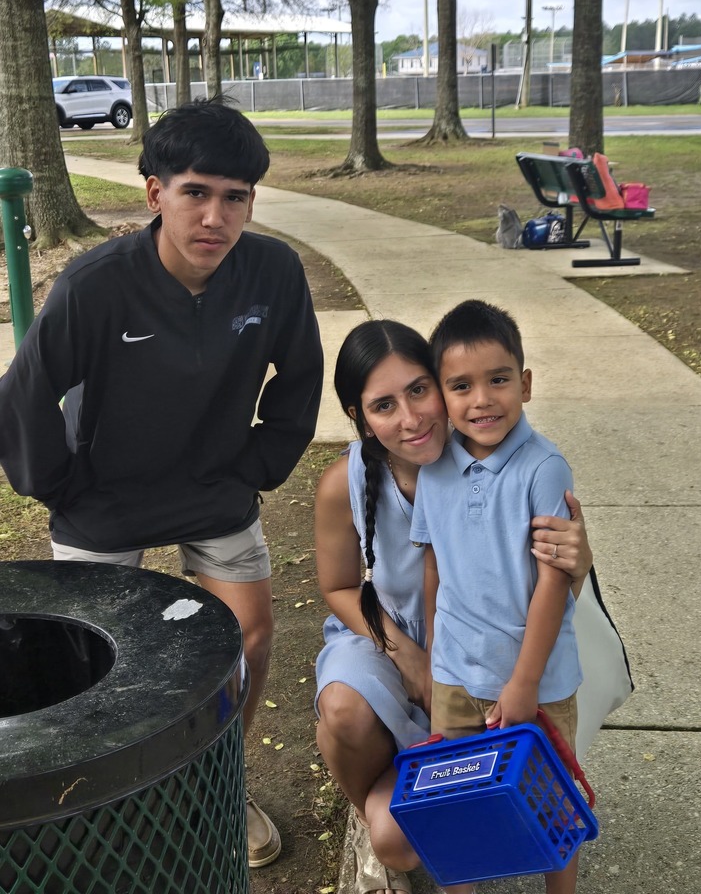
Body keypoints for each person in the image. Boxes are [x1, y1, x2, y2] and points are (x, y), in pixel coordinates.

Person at [0, 97, 324, 869]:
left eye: (235, 197)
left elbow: (302, 377)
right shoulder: (95, 285)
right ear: (156, 193)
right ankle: (97, 806)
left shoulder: (273, 273)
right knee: (89, 666)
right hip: (104, 499)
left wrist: (258, 463)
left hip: (214, 485)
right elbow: (24, 394)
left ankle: (222, 779)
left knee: (249, 635)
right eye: (196, 193)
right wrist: (59, 485)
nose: (215, 217)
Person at [313, 319, 615, 894]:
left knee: (530, 796)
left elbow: (540, 584)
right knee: (394, 791)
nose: (411, 418)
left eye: (419, 390)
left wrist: (579, 559)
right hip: (396, 641)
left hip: (487, 658)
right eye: (383, 405)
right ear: (359, 417)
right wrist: (413, 657)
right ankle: (371, 816)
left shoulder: (505, 457)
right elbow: (342, 586)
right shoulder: (347, 483)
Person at [411, 299, 586, 894]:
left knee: (552, 803)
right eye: (461, 386)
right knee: (455, 803)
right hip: (456, 677)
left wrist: (524, 683)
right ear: (442, 396)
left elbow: (554, 580)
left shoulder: (545, 467)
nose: (482, 399)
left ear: (526, 384)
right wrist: (434, 659)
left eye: (499, 380)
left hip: (539, 680)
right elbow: (434, 569)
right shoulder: (433, 470)